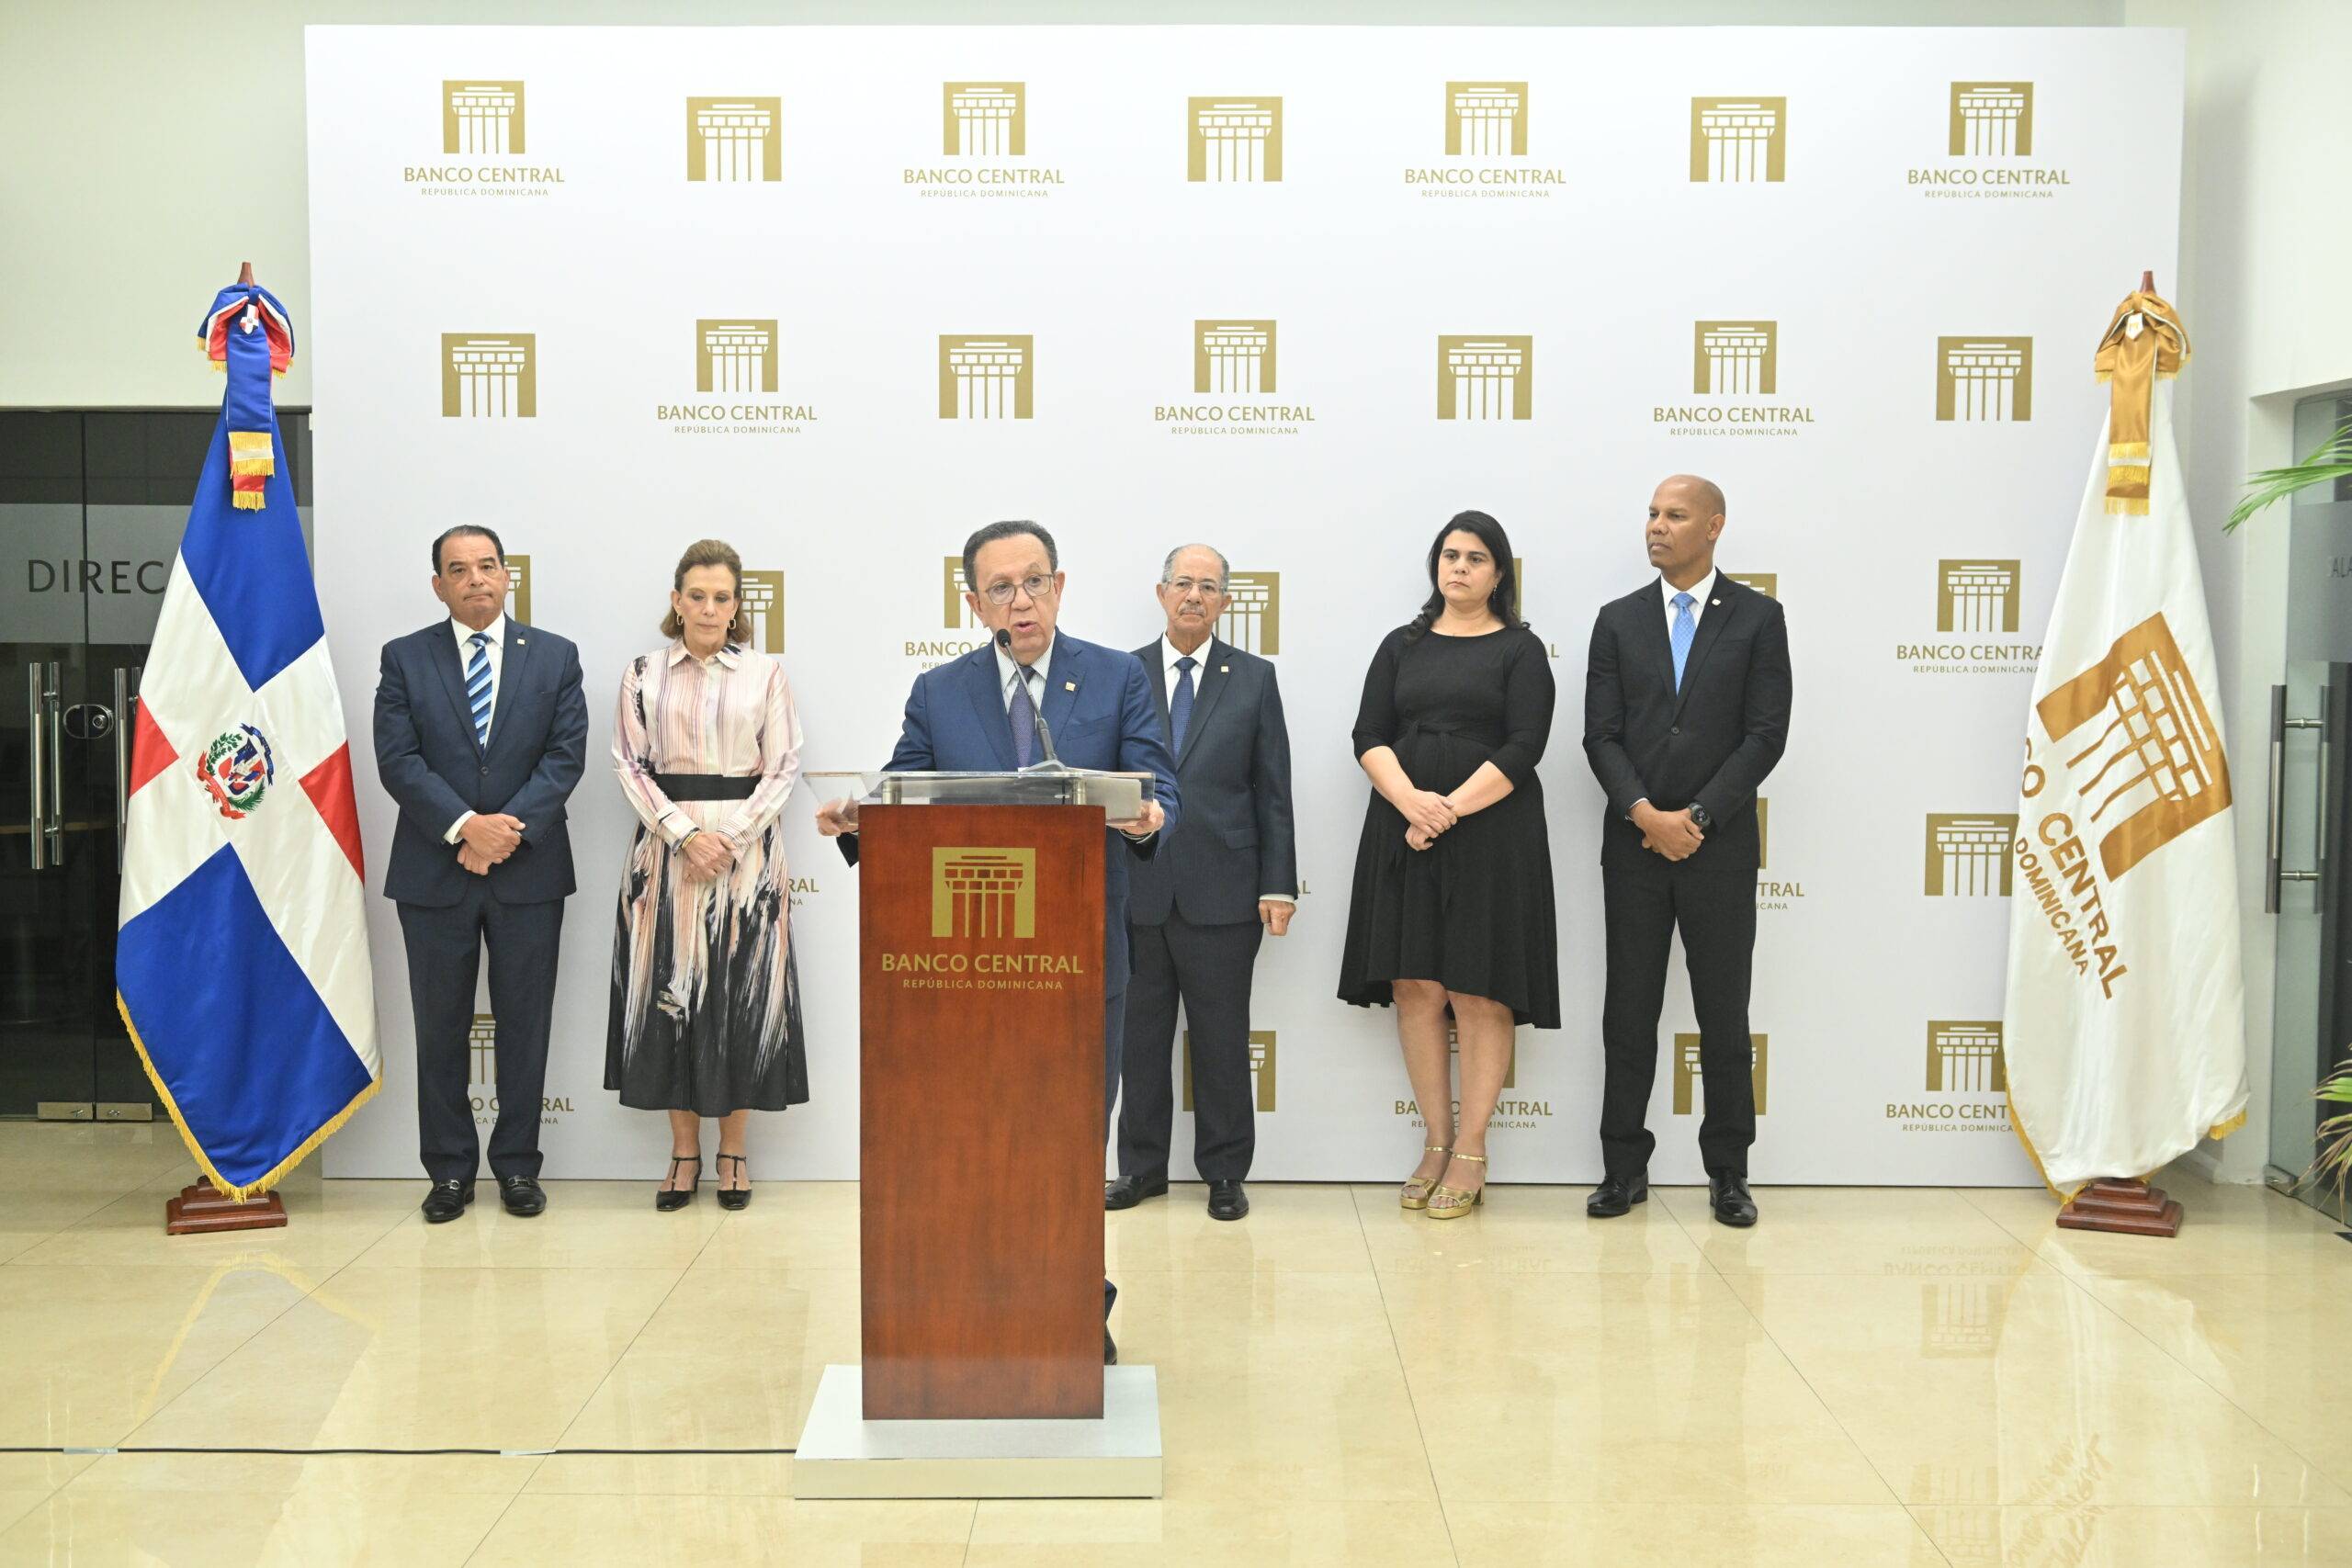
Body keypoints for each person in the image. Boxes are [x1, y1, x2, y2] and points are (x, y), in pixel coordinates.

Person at [817, 520, 1178, 1365]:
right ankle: (967, 1305)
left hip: (1081, 955)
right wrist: (860, 817)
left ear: (1060, 585)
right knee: (969, 1139)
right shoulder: (939, 691)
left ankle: (1072, 1308)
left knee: (1069, 1140)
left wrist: (1151, 814)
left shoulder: (1117, 676)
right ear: (974, 603)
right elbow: (903, 788)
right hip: (964, 969)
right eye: (1002, 588)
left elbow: (1156, 782)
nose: (1022, 601)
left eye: (1035, 581)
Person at [1581, 475, 1791, 1228]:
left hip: (1718, 848)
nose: (1656, 526)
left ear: (1714, 526)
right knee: (1628, 1012)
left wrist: (1695, 817)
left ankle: (1729, 1172)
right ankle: (1622, 1169)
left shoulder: (1759, 618)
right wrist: (1645, 813)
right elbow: (1600, 735)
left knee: (1724, 1017)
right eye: (1651, 513)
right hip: (1634, 847)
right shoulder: (1616, 620)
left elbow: (1765, 735)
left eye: (1674, 515)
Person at [1338, 511, 1558, 1220]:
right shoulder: (1400, 645)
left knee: (1479, 988)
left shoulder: (1521, 650)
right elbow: (1369, 733)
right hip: (1403, 826)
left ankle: (1471, 1148)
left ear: (1499, 574)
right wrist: (1410, 802)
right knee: (1416, 985)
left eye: (1475, 557)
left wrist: (1447, 810)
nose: (1459, 567)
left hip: (1492, 832)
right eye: (1450, 555)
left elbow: (1526, 745)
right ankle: (1435, 1141)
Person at [374, 524, 587, 1223]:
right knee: (440, 1028)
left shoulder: (555, 656)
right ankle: (449, 1173)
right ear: (438, 585)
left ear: (507, 576)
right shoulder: (405, 658)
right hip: (434, 874)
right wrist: (466, 827)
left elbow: (565, 757)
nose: (476, 579)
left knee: (526, 1025)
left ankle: (517, 1167)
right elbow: (398, 760)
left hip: (529, 874)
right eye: (459, 569)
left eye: (488, 566)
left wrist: (501, 835)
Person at [607, 539, 808, 1212]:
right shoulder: (642, 674)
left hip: (748, 859)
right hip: (666, 855)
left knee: (741, 1000)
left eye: (722, 597)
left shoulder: (766, 674)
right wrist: (686, 836)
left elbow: (783, 766)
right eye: (697, 595)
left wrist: (733, 838)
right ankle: (684, 1152)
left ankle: (734, 1151)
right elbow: (629, 764)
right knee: (674, 996)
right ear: (677, 600)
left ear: (736, 604)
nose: (709, 608)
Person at [1107, 544, 1297, 1223]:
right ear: (1161, 593)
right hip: (1137, 888)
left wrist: (1279, 884)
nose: (1194, 595)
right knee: (1138, 1040)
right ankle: (1141, 1168)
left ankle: (1224, 1172)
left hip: (1225, 889)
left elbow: (1273, 789)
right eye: (1183, 583)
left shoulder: (1253, 677)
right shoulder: (1120, 674)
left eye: (1208, 586)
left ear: (1225, 602)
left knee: (1221, 1040)